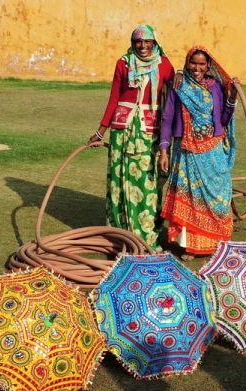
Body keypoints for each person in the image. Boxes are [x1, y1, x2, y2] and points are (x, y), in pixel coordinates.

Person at [88, 25, 175, 249]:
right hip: (122, 130)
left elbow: (175, 99)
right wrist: (101, 131)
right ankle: (120, 236)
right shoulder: (123, 63)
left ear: (155, 43)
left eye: (148, 42)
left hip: (149, 131)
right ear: (133, 42)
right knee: (119, 180)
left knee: (147, 182)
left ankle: (146, 236)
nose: (143, 46)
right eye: (139, 42)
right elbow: (114, 98)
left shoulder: (164, 65)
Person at [159, 46, 240, 261]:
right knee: (191, 197)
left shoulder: (215, 87)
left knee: (218, 192)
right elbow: (167, 118)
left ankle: (217, 241)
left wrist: (231, 95)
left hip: (212, 149)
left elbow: (223, 118)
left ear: (208, 65)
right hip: (186, 150)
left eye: (202, 64)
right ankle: (191, 245)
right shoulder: (178, 84)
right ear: (187, 62)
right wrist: (164, 151)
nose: (197, 67)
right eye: (193, 63)